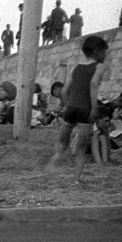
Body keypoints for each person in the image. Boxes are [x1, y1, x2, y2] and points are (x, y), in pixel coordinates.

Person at [47, 34, 109, 183]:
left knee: (62, 144)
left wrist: (68, 104)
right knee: (81, 149)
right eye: (104, 52)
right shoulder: (99, 67)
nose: (106, 55)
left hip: (71, 108)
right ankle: (75, 180)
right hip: (85, 109)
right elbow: (94, 84)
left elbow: (64, 91)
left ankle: (52, 166)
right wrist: (94, 107)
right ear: (97, 52)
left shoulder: (76, 67)